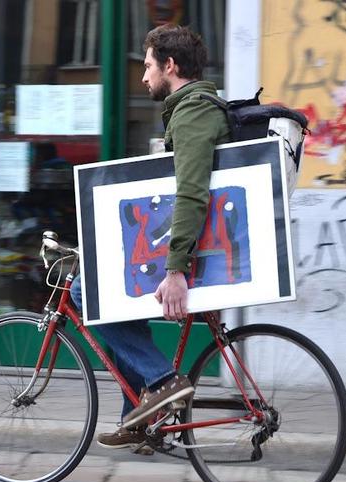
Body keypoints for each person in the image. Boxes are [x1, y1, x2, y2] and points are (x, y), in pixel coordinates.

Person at [70, 24, 230, 450]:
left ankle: (162, 382)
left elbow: (192, 192)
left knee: (87, 291)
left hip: (196, 251)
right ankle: (140, 414)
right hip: (190, 242)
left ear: (170, 66)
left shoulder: (194, 110)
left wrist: (176, 269)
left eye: (147, 66)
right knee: (120, 306)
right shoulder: (190, 107)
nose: (142, 77)